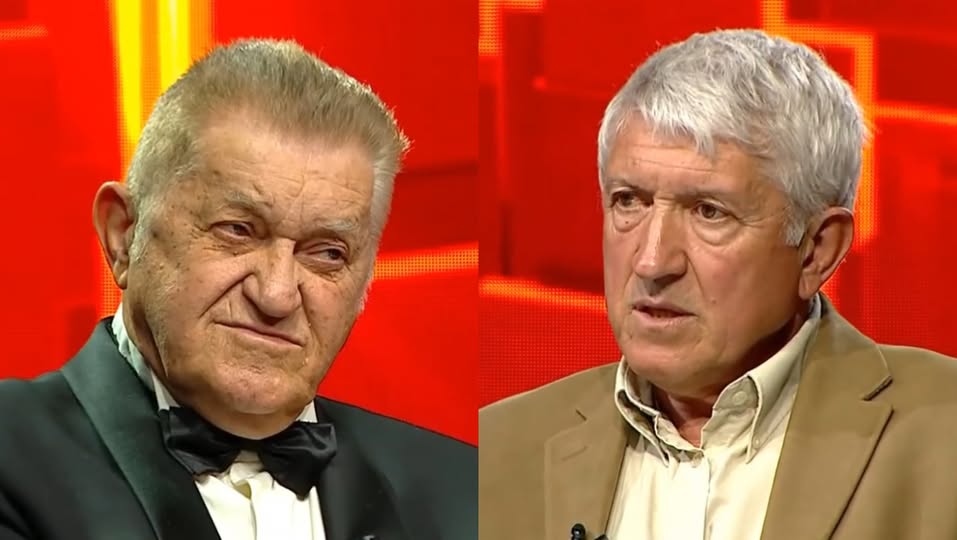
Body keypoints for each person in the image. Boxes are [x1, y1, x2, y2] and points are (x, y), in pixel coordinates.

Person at [479, 28, 957, 540]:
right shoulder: (496, 448)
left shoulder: (942, 433)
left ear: (817, 250)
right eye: (629, 201)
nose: (652, 261)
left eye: (709, 212)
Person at [0, 38, 476, 540]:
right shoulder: (12, 455)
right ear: (123, 236)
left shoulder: (467, 492)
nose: (276, 296)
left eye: (327, 253)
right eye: (237, 230)